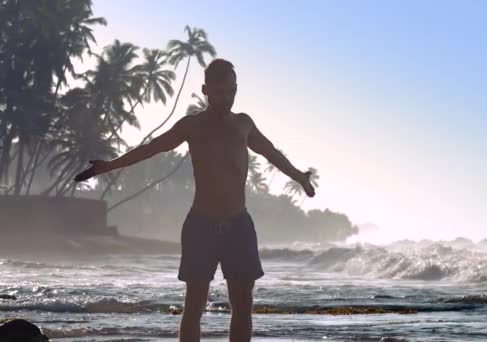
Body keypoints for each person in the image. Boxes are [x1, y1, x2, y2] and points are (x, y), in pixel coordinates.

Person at [73, 58, 316, 342]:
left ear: (236, 89)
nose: (225, 98)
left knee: (242, 306)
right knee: (194, 306)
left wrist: (299, 176)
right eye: (218, 92)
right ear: (205, 90)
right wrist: (109, 165)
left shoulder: (243, 124)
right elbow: (151, 149)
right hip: (201, 224)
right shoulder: (192, 126)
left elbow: (271, 153)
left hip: (239, 223)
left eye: (230, 91)